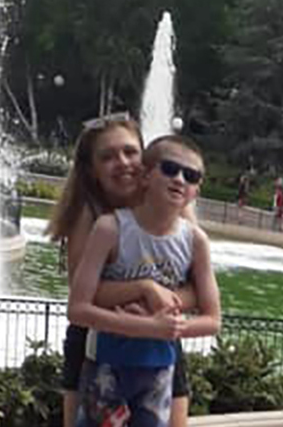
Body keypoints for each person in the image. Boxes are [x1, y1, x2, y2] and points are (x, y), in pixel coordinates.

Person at [46, 113, 199, 427]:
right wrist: (144, 288)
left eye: (130, 152)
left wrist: (157, 308)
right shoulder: (89, 215)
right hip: (95, 346)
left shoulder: (174, 206)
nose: (123, 162)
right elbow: (82, 295)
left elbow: (198, 289)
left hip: (159, 343)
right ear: (92, 170)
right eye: (108, 156)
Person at [69, 135, 222, 427]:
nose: (179, 179)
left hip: (159, 371)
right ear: (146, 174)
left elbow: (213, 319)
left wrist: (168, 328)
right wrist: (150, 327)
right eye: (170, 169)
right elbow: (77, 309)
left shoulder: (195, 241)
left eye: (190, 175)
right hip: (106, 364)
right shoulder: (110, 228)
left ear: (196, 190)